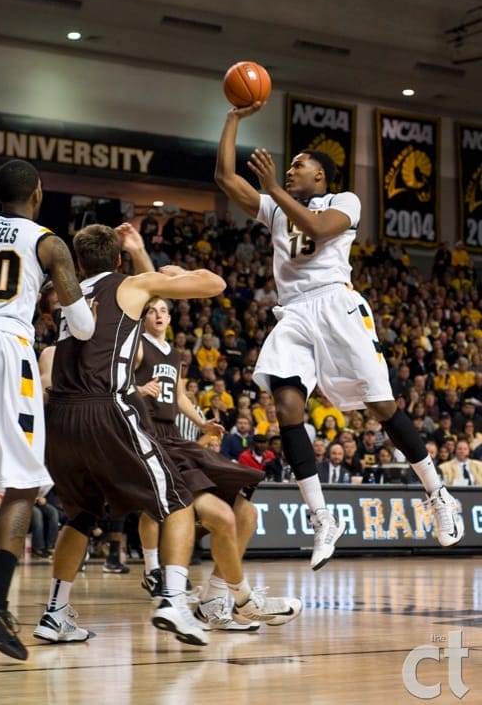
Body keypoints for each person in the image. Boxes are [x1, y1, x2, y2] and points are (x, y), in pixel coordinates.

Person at [215, 103, 464, 571]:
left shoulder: (344, 201)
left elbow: (316, 228)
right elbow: (226, 179)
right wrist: (233, 118)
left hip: (338, 306)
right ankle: (322, 516)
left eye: (298, 166)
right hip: (293, 314)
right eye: (287, 167)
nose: (289, 170)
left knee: (382, 407)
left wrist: (271, 187)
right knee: (286, 406)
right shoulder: (273, 209)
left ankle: (438, 493)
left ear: (321, 178)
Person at [33, 223, 226, 649]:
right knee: (176, 502)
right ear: (117, 259)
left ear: (78, 263)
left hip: (61, 418)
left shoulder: (69, 295)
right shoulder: (131, 285)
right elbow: (214, 283)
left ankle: (56, 612)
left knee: (80, 516)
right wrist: (165, 268)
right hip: (106, 408)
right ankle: (174, 600)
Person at [134, 297, 301, 630]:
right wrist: (138, 388)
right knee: (165, 511)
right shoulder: (137, 347)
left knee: (247, 513)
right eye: (153, 309)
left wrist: (201, 423)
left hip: (175, 437)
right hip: (147, 435)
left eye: (165, 310)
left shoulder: (172, 352)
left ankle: (213, 600)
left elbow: (179, 396)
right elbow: (111, 386)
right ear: (143, 315)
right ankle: (161, 572)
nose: (160, 314)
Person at [0, 159, 95, 662]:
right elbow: (83, 328)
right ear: (36, 193)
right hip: (9, 351)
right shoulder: (48, 242)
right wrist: (61, 298)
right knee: (23, 483)